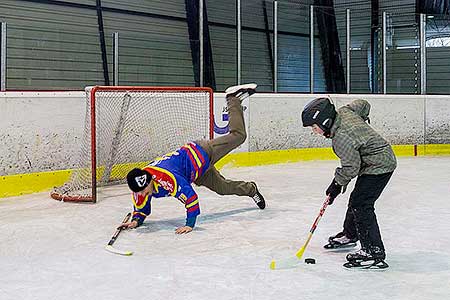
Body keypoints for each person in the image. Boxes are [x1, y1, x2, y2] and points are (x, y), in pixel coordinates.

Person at [120, 83, 265, 234]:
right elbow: (141, 207)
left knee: (239, 136)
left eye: (144, 190)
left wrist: (189, 224)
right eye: (139, 192)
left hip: (202, 153)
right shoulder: (140, 187)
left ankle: (232, 98)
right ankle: (251, 189)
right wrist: (135, 221)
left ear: (150, 180)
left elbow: (190, 197)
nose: (142, 194)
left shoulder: (167, 178)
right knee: (222, 188)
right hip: (196, 172)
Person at [301, 97, 397, 269]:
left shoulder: (341, 138)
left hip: (380, 165)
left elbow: (351, 167)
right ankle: (350, 234)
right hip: (373, 162)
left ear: (325, 122)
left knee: (362, 205)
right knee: (356, 200)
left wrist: (336, 185)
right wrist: (363, 121)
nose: (314, 131)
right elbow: (363, 103)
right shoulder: (345, 112)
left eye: (314, 127)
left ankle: (373, 251)